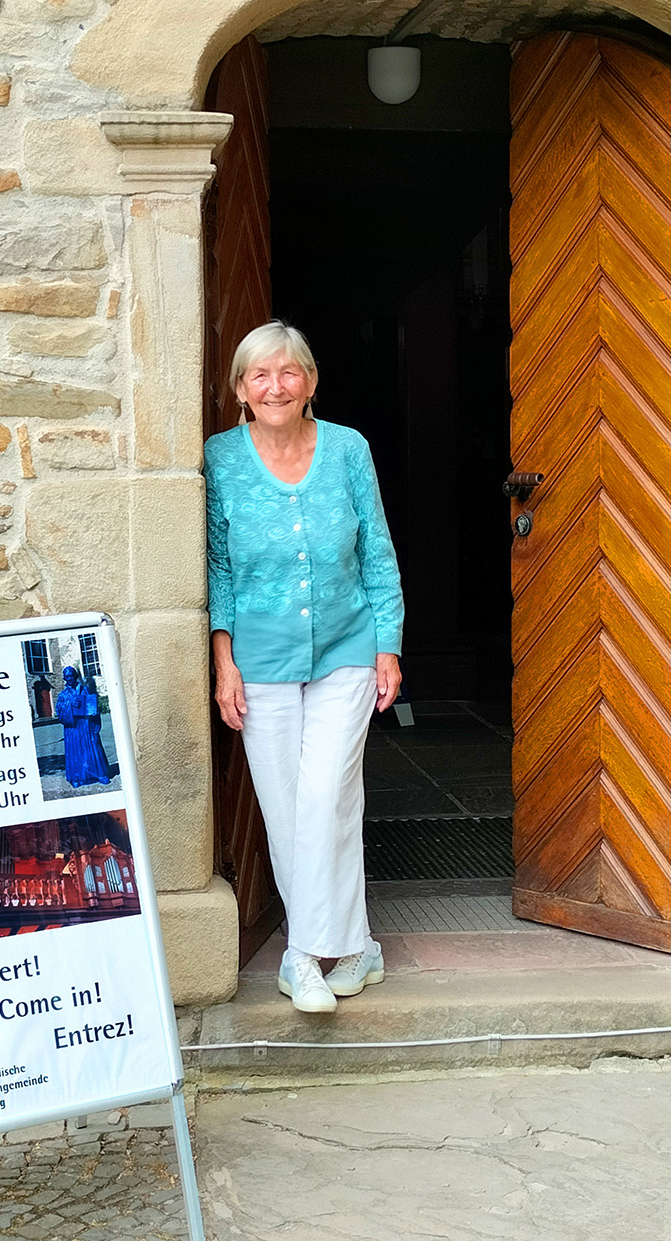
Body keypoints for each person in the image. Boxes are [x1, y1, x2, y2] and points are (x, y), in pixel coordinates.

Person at [204, 319, 404, 1013]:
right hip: (259, 657)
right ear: (240, 389)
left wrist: (388, 643)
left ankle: (300, 954)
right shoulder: (221, 458)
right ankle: (355, 946)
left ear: (310, 381)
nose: (276, 385)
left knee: (323, 793)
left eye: (289, 371)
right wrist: (222, 661)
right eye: (260, 374)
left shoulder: (348, 448)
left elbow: (375, 548)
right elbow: (218, 568)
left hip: (347, 647)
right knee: (292, 807)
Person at [54, 666, 113, 788]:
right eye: (67, 676)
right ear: (65, 678)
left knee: (92, 747)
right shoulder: (63, 695)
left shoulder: (85, 690)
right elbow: (60, 713)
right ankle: (77, 777)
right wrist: (70, 705)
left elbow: (92, 704)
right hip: (73, 727)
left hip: (87, 724)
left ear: (75, 676)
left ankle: (100, 774)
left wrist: (95, 712)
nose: (70, 678)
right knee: (76, 751)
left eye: (71, 675)